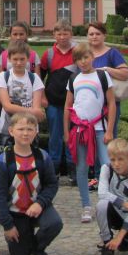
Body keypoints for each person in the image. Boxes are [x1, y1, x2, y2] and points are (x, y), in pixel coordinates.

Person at [0, 113, 63, 255]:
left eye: (30, 129)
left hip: (37, 208)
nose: (25, 133)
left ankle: (38, 249)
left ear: (36, 132)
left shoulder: (42, 157)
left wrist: (40, 203)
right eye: (21, 129)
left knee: (54, 223)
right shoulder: (4, 160)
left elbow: (52, 184)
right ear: (11, 131)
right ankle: (23, 239)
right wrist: (8, 225)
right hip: (16, 212)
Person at [64, 42, 115, 222]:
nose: (83, 62)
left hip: (99, 128)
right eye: (79, 59)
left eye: (86, 57)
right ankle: (86, 205)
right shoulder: (73, 78)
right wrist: (66, 131)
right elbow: (68, 106)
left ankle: (108, 202)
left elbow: (111, 103)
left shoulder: (102, 75)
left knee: (107, 165)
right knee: (81, 167)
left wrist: (109, 130)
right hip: (80, 130)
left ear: (92, 57)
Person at [39, 20, 77, 175]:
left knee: (72, 136)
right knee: (55, 136)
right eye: (59, 34)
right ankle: (54, 167)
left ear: (71, 34)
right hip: (53, 102)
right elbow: (39, 78)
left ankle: (71, 166)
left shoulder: (77, 53)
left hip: (73, 103)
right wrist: (42, 98)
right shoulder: (48, 54)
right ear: (54, 35)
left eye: (65, 33)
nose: (62, 37)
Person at [0, 40, 46, 145]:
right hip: (8, 127)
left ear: (28, 58)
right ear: (9, 59)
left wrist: (33, 111)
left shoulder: (34, 78)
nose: (18, 62)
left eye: (22, 59)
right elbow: (7, 106)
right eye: (15, 59)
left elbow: (36, 107)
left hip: (29, 128)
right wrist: (32, 111)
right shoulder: (3, 77)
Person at [87, 22, 128, 139]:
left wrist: (107, 69)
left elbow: (125, 74)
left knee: (108, 138)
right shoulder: (84, 54)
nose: (94, 36)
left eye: (98, 34)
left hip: (109, 104)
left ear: (104, 35)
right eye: (91, 34)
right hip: (88, 103)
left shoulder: (112, 53)